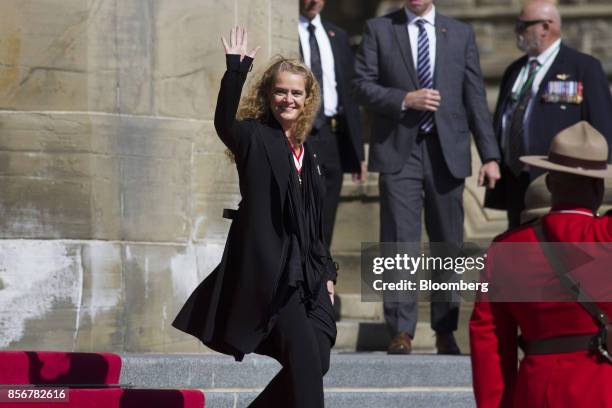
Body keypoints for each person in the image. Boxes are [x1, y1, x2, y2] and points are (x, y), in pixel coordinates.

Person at [172, 27, 337, 408]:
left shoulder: (309, 153)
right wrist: (236, 71)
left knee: (317, 361)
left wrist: (327, 273)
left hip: (311, 277)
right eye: (281, 91)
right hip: (277, 278)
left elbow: (315, 226)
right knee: (306, 367)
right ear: (268, 94)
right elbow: (223, 124)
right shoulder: (253, 137)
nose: (288, 99)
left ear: (307, 98)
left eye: (297, 93)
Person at [353, 0, 501, 354]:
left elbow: (475, 96)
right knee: (398, 242)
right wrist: (405, 98)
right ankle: (401, 330)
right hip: (399, 151)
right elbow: (360, 85)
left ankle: (445, 328)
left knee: (448, 242)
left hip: (446, 152)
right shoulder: (380, 30)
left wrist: (491, 154)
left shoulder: (460, 33)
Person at [470, 121, 612, 407]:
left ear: (548, 184)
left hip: (538, 391)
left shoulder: (507, 249)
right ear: (599, 188)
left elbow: (491, 342)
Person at [484, 0, 612, 230]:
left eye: (523, 25)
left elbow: (604, 127)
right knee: (517, 245)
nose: (517, 31)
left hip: (556, 182)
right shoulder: (515, 70)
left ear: (545, 27)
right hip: (516, 178)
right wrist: (492, 157)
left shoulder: (582, 67)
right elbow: (503, 119)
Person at [298, 0, 366, 248]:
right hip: (298, 135)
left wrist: (357, 151)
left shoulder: (337, 35)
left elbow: (349, 96)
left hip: (332, 135)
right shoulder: (286, 31)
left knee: (327, 214)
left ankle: (323, 282)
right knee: (301, 213)